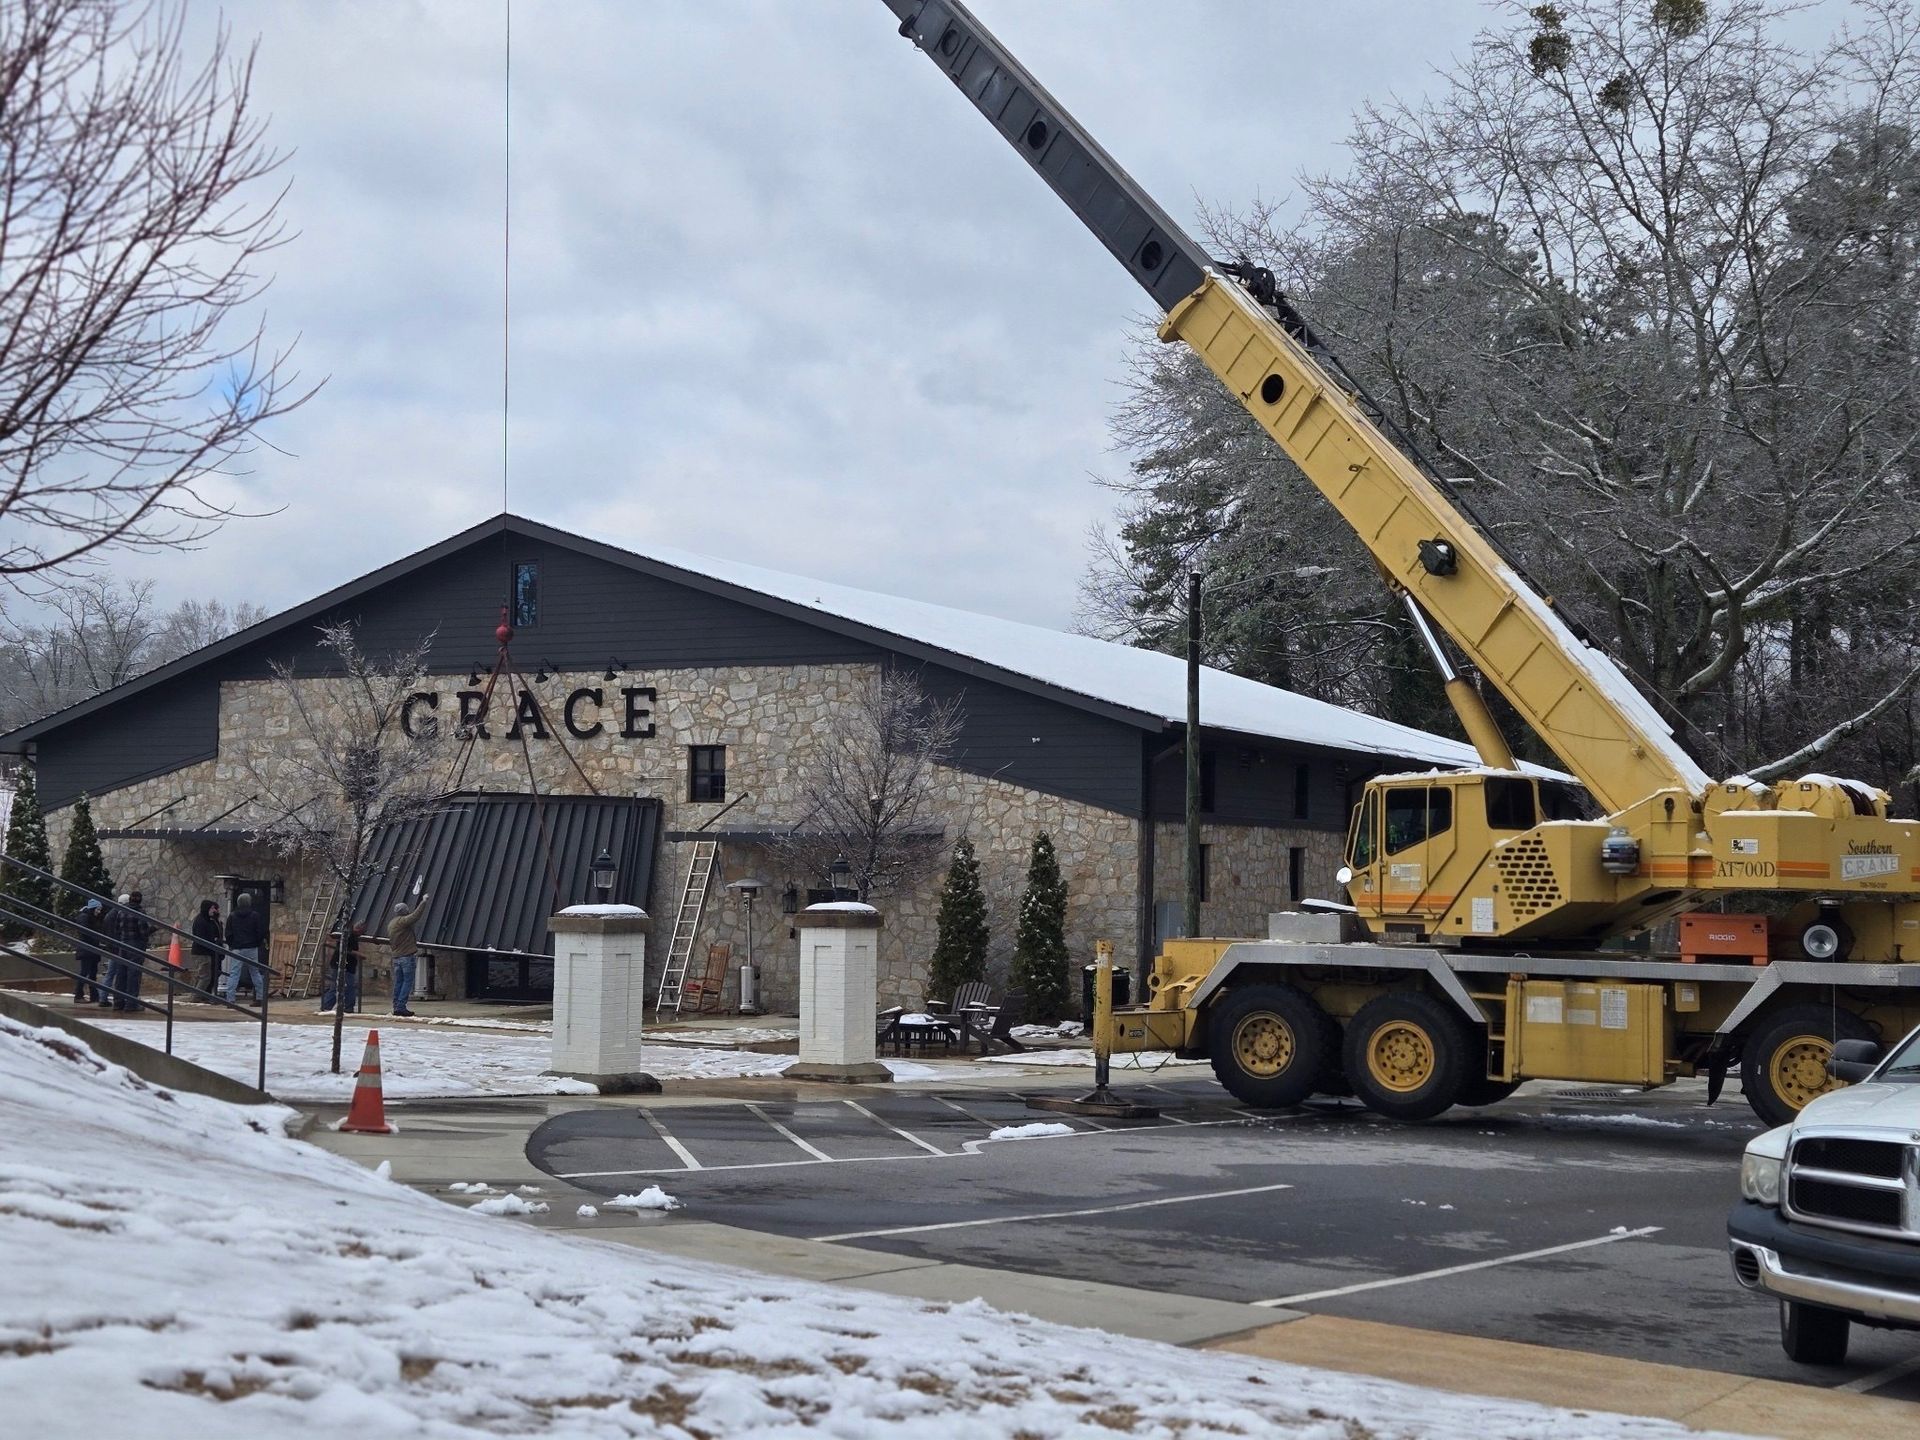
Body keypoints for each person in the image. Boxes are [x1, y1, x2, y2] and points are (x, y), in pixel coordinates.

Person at [105, 891, 152, 1012]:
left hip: (123, 944)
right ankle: (131, 1003)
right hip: (136, 945)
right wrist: (151, 931)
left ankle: (118, 1002)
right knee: (134, 974)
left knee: (121, 973)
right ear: (140, 900)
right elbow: (143, 932)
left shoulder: (121, 911)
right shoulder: (140, 912)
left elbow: (117, 929)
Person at [388, 891, 432, 1018]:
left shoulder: (391, 923)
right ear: (404, 911)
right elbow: (415, 916)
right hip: (406, 956)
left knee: (399, 982)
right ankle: (401, 1007)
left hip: (396, 957)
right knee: (407, 982)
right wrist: (423, 901)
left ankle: (396, 1005)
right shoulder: (402, 921)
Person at [222, 891, 269, 1005]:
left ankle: (230, 999)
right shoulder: (255, 915)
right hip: (252, 948)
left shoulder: (232, 916)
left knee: (234, 973)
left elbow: (228, 933)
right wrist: (257, 943)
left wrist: (232, 944)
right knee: (255, 972)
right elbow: (260, 931)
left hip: (237, 948)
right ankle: (260, 998)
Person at [318, 922, 365, 1014]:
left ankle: (344, 1006)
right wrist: (357, 953)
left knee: (344, 986)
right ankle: (331, 1006)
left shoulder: (352, 935)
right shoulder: (348, 934)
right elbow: (343, 947)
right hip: (341, 965)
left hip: (346, 965)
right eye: (363, 930)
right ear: (359, 929)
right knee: (341, 986)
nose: (363, 932)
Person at [72, 898, 107, 1006]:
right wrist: (96, 941)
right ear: (92, 908)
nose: (99, 911)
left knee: (92, 973)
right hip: (87, 949)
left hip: (92, 949)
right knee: (85, 972)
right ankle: (78, 995)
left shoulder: (91, 917)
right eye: (98, 909)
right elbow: (85, 933)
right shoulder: (85, 917)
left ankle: (94, 995)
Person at [190, 899, 223, 996]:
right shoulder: (201, 921)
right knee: (205, 977)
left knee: (205, 975)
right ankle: (196, 996)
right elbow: (202, 938)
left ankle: (201, 994)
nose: (214, 910)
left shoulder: (208, 920)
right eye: (212, 908)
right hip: (203, 953)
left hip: (206, 952)